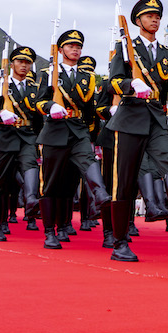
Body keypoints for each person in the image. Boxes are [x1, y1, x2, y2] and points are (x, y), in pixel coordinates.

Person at [106, 0, 168, 262]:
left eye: (157, 16)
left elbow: (165, 88)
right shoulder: (125, 48)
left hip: (156, 117)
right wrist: (131, 85)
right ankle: (119, 241)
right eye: (149, 16)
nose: (155, 19)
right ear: (137, 21)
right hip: (131, 116)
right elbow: (113, 82)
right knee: (125, 181)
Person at [30, 30, 112, 250]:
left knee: (89, 161)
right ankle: (50, 232)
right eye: (70, 46)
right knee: (53, 183)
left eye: (78, 46)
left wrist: (94, 135)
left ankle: (100, 194)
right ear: (61, 50)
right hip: (55, 131)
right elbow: (38, 102)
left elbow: (89, 109)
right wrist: (51, 107)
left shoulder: (88, 77)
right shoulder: (48, 73)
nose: (75, 49)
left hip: (78, 130)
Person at [0, 47, 41, 240]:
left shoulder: (35, 88)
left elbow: (39, 118)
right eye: (20, 62)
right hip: (4, 137)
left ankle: (32, 198)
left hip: (27, 135)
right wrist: (1, 114)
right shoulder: (1, 85)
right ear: (12, 64)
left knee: (31, 165)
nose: (24, 65)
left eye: (27, 62)